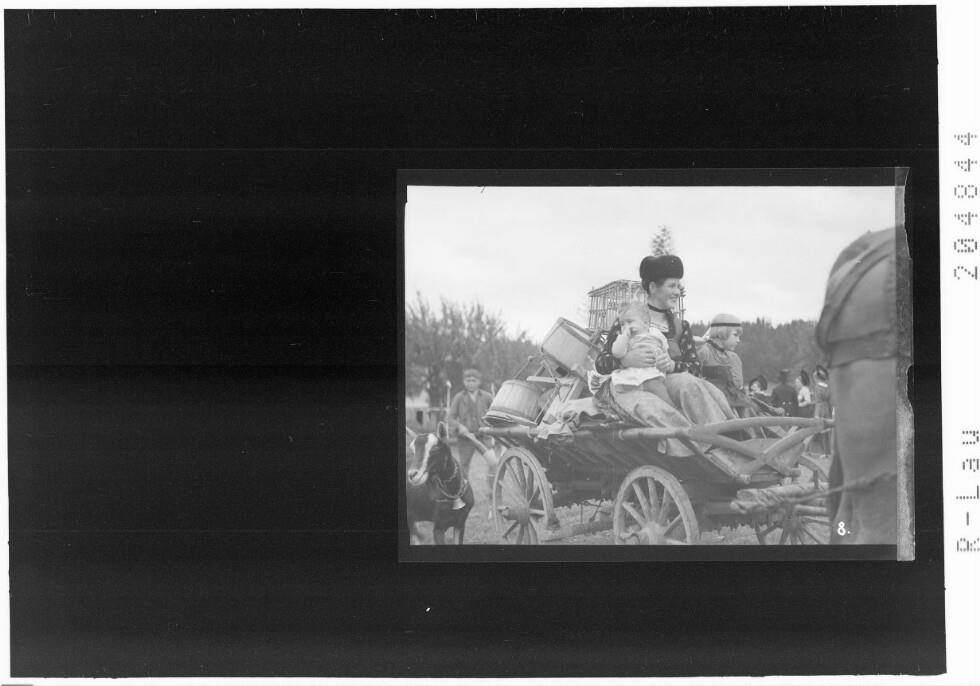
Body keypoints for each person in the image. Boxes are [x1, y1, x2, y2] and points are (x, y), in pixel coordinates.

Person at [592, 254, 736, 457]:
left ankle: (726, 440)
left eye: (679, 286)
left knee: (689, 383)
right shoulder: (628, 320)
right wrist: (624, 360)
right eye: (672, 285)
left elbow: (695, 368)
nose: (677, 291)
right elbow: (600, 363)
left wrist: (672, 365)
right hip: (630, 384)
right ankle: (695, 451)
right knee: (653, 406)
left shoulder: (680, 326)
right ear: (653, 287)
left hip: (662, 379)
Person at [609, 301, 671, 404]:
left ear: (645, 323)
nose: (625, 327)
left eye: (630, 322)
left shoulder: (656, 334)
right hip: (631, 376)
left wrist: (665, 361)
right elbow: (616, 353)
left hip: (652, 373)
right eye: (622, 324)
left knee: (657, 388)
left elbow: (665, 351)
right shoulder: (625, 339)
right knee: (638, 396)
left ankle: (670, 407)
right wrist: (624, 337)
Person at [446, 368, 496, 494]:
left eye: (474, 380)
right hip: (466, 439)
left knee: (494, 463)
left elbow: (495, 414)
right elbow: (450, 418)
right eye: (468, 380)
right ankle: (463, 493)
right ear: (464, 382)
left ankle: (493, 492)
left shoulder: (487, 396)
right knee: (463, 468)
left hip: (483, 437)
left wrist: (491, 427)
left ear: (479, 382)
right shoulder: (458, 397)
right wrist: (459, 426)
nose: (471, 383)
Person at [696, 313, 746, 406]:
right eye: (735, 335)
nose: (738, 340)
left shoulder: (733, 357)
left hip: (733, 400)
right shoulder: (704, 352)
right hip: (711, 401)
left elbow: (738, 385)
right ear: (721, 333)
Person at [810, 365, 833, 456]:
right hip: (827, 408)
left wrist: (816, 414)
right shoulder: (828, 387)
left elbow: (817, 401)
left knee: (817, 428)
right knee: (826, 430)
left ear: (817, 378)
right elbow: (830, 401)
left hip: (819, 408)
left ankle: (818, 451)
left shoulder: (817, 387)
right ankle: (826, 451)